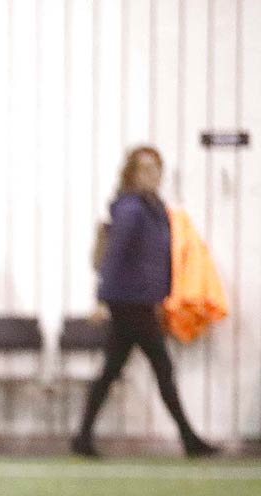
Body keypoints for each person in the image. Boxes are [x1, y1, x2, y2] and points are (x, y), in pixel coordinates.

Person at [71, 146, 215, 459]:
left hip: (140, 300)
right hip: (127, 301)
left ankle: (82, 437)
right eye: (145, 169)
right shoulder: (132, 209)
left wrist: (161, 297)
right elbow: (115, 255)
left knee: (111, 370)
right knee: (161, 366)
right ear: (132, 173)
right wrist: (100, 298)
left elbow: (157, 259)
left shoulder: (155, 209)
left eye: (157, 169)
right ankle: (189, 439)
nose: (153, 175)